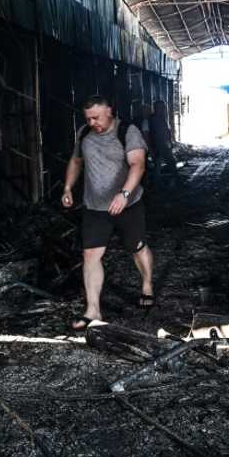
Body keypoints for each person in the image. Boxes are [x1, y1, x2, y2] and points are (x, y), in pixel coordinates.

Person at [61, 95, 154, 330]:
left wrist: (123, 194)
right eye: (88, 118)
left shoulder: (127, 131)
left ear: (109, 111)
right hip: (95, 206)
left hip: (128, 203)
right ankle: (93, 310)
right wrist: (68, 187)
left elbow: (138, 164)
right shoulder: (84, 133)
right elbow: (76, 161)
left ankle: (147, 284)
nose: (93, 123)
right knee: (90, 255)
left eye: (96, 117)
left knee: (137, 247)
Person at [149, 100, 178, 185]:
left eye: (163, 107)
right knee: (160, 164)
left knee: (168, 162)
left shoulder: (162, 118)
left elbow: (166, 131)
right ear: (156, 108)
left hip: (163, 144)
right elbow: (151, 134)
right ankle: (158, 184)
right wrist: (152, 147)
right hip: (158, 145)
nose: (162, 109)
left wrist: (170, 141)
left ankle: (173, 180)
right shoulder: (153, 119)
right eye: (160, 107)